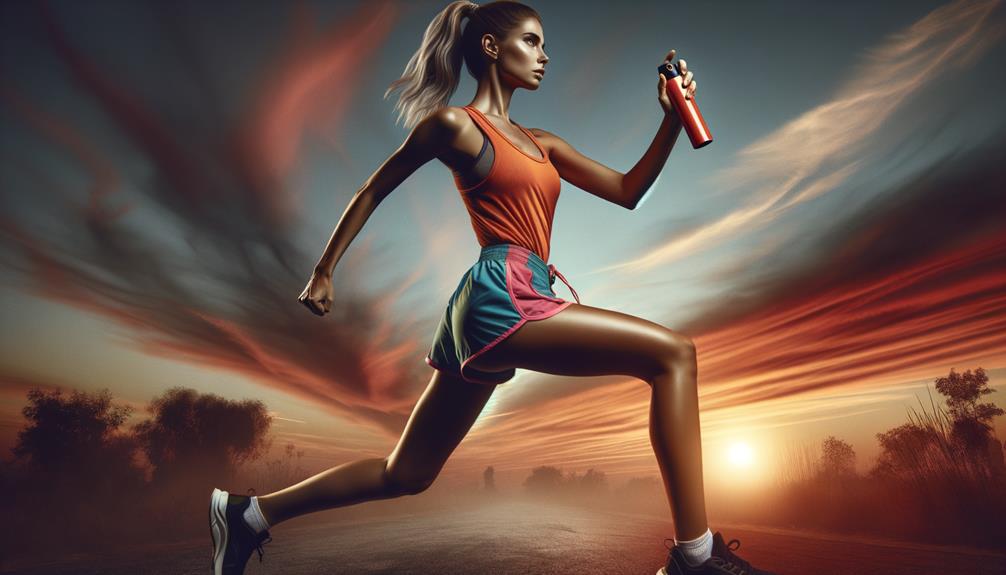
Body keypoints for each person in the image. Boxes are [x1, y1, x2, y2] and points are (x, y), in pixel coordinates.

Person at [209, 2, 778, 574]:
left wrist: (672, 120)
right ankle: (695, 558)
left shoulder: (544, 144)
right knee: (674, 355)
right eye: (531, 41)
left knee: (405, 474)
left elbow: (628, 191)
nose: (544, 55)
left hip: (504, 299)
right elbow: (373, 188)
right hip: (501, 294)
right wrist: (324, 269)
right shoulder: (455, 126)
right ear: (490, 47)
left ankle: (250, 514)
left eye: (544, 44)